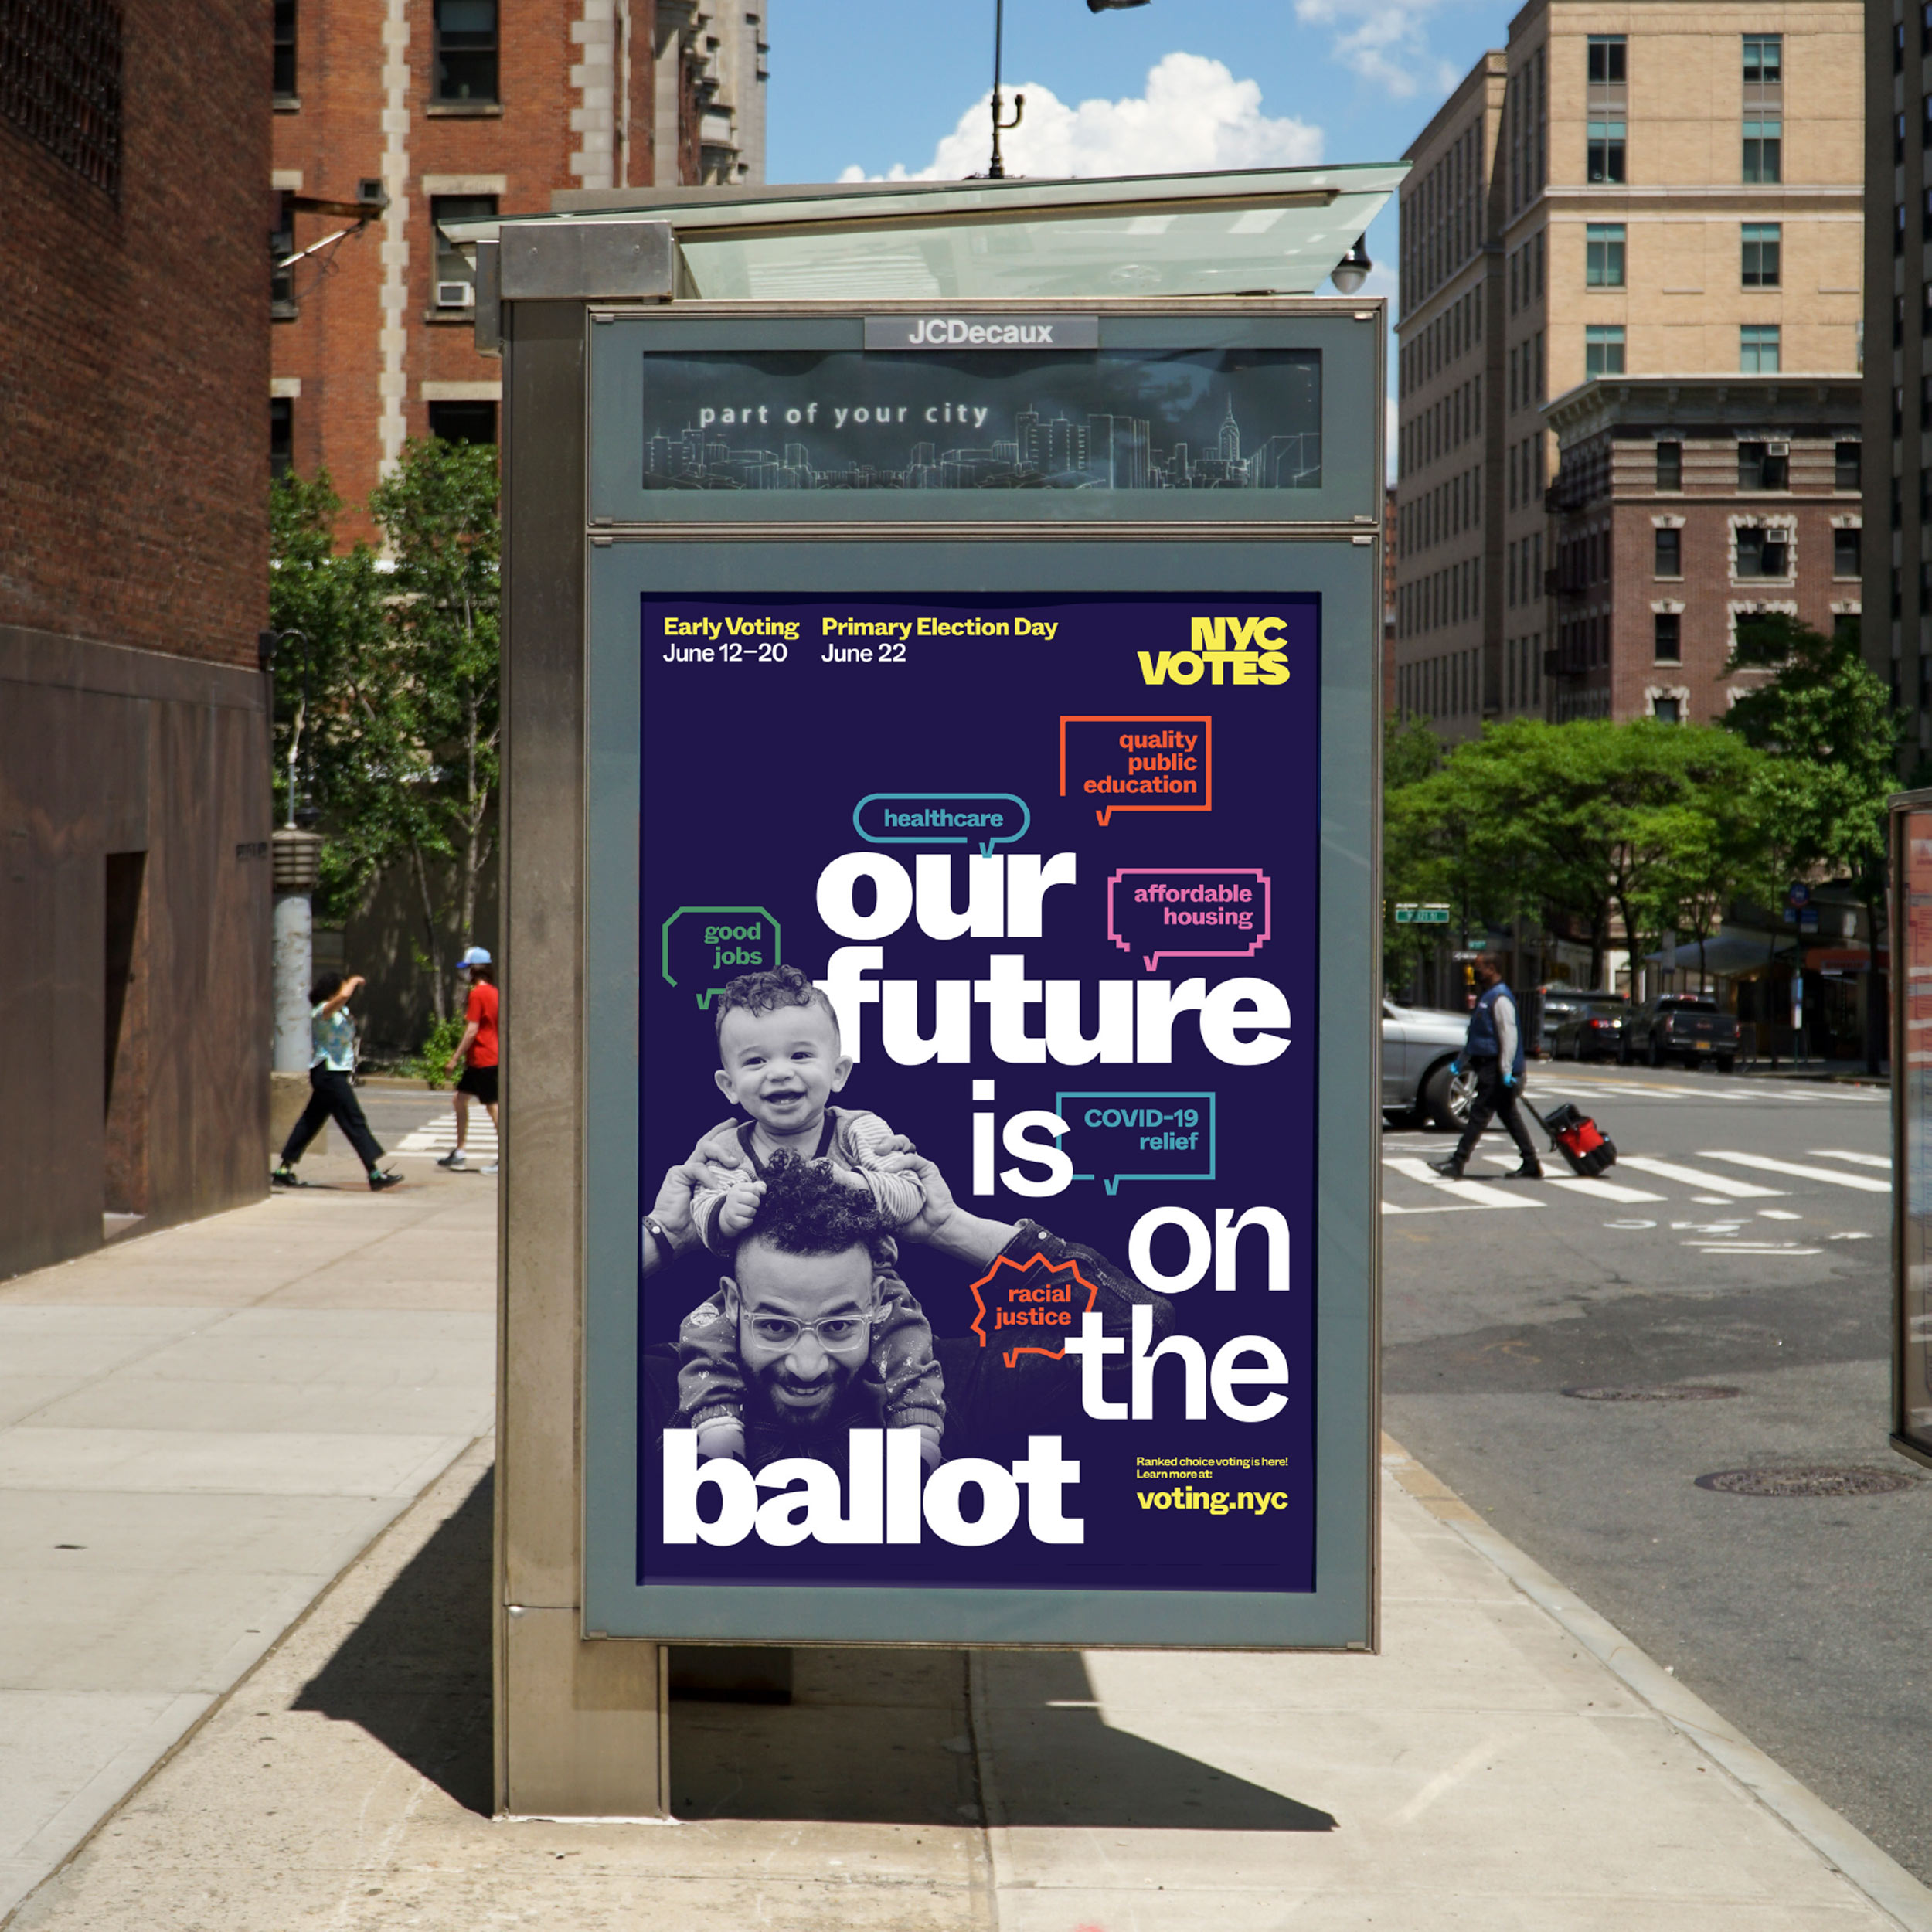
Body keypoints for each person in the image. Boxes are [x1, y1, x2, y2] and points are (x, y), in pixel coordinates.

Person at [640, 1138, 1172, 1472]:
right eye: (776, 1327)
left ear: (876, 1301)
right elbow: (552, 1367)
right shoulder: (664, 1390)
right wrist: (660, 1240)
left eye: (839, 1325)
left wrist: (951, 1228)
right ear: (732, 1304)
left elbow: (1138, 1329)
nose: (807, 1365)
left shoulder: (947, 1384)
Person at [672, 964, 942, 1468]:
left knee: (906, 1332)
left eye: (800, 1055)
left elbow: (908, 1196)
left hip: (866, 1283)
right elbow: (702, 1211)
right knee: (704, 1329)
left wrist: (853, 1182)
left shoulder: (858, 1132)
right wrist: (725, 1214)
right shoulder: (727, 1146)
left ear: (838, 1072)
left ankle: (917, 1427)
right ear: (729, 1085)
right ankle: (716, 1421)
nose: (779, 1071)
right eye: (756, 1061)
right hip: (761, 1294)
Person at [272, 972, 403, 1192]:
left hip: (334, 1072)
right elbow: (342, 997)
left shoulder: (340, 1011)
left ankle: (283, 1170)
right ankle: (374, 1173)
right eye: (342, 987)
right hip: (328, 1073)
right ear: (332, 990)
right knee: (353, 1119)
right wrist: (353, 981)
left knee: (310, 1122)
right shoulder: (321, 1011)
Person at [1430, 952, 1544, 1180]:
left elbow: (1509, 1036)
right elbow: (1477, 1035)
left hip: (1496, 1069)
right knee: (1509, 1115)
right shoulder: (1488, 996)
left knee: (1479, 1115)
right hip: (1487, 1066)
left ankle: (1457, 1162)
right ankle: (1531, 1162)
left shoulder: (1500, 998)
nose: (1476, 972)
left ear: (1492, 968)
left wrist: (1506, 1069)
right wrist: (1461, 1061)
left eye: (1479, 968)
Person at [437, 946, 499, 1174]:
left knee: (492, 1106)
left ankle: (506, 1156)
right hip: (482, 1059)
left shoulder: (477, 994)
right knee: (459, 1099)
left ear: (475, 970)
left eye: (467, 970)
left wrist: (454, 1058)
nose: (466, 975)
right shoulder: (494, 992)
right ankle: (460, 1152)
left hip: (484, 1058)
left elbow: (472, 1030)